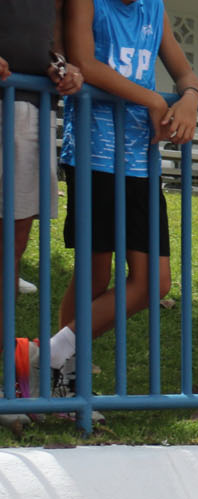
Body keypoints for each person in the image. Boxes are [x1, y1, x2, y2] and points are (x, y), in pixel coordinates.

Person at [45, 0, 198, 399]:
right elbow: (85, 61)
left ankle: (48, 357)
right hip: (93, 154)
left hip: (140, 161)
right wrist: (152, 100)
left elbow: (184, 71)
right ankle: (63, 384)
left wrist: (191, 97)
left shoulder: (154, 8)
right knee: (93, 277)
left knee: (155, 282)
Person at [1, 1, 83, 408]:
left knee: (10, 257)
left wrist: (61, 66)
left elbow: (55, 42)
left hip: (34, 110)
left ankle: (7, 382)